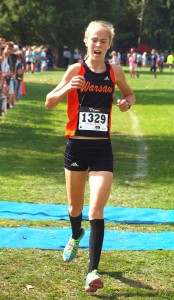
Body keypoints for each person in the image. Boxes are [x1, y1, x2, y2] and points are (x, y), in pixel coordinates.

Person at [45, 20, 135, 293]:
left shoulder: (114, 71)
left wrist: (125, 103)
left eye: (103, 41)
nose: (98, 45)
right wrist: (66, 88)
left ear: (109, 44)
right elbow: (49, 102)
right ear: (86, 41)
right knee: (75, 208)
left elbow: (129, 95)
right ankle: (75, 234)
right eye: (94, 40)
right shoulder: (76, 69)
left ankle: (91, 272)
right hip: (76, 147)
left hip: (101, 149)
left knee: (96, 209)